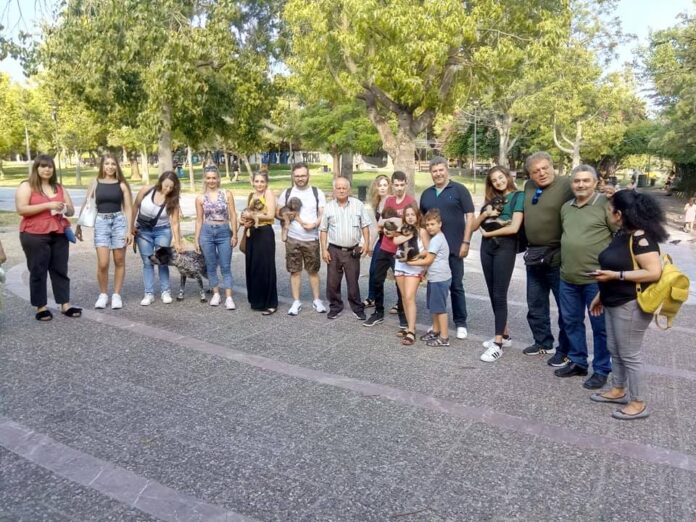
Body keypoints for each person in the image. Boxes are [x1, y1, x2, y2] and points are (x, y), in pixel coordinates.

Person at [589, 190, 667, 420]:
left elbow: (653, 272)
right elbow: (616, 265)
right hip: (613, 301)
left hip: (631, 304)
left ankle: (638, 402)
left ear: (619, 213)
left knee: (630, 354)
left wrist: (616, 276)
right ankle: (618, 389)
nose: (607, 212)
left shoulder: (642, 238)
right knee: (615, 349)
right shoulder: (623, 233)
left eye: (609, 209)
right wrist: (601, 295)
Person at [554, 165, 614, 388]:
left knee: (601, 328)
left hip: (596, 281)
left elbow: (619, 236)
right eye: (577, 181)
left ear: (596, 183)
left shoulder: (606, 204)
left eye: (586, 180)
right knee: (571, 322)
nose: (581, 185)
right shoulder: (566, 207)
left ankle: (601, 369)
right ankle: (578, 362)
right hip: (567, 277)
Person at [521, 151, 573, 365]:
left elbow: (589, 195)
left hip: (558, 256)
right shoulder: (528, 186)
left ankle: (566, 349)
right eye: (536, 171)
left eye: (545, 168)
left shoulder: (567, 184)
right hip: (534, 255)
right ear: (530, 175)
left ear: (553, 167)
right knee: (535, 303)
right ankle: (542, 342)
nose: (541, 173)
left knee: (565, 307)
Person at [16, 155, 82, 321]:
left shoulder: (58, 187)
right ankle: (41, 307)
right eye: (43, 166)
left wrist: (65, 208)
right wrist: (48, 205)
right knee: (38, 270)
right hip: (34, 234)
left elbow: (71, 211)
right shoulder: (27, 186)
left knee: (60, 269)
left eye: (50, 166)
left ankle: (65, 304)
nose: (47, 169)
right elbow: (21, 209)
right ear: (36, 168)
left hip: (59, 233)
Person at [471, 166, 524, 362]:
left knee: (500, 294)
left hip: (505, 247)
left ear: (507, 177)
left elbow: (514, 227)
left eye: (501, 178)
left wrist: (489, 233)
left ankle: (498, 344)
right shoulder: (491, 199)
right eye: (494, 180)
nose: (498, 182)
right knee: (493, 292)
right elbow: (474, 226)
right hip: (487, 248)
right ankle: (505, 335)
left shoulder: (518, 197)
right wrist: (485, 215)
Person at [419, 157, 475, 339]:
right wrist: (427, 249)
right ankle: (436, 323)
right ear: (431, 173)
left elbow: (470, 216)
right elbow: (422, 225)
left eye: (441, 170)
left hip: (455, 248)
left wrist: (466, 242)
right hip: (434, 253)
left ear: (447, 170)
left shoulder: (459, 190)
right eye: (434, 171)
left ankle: (461, 322)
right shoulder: (426, 194)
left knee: (456, 285)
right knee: (434, 286)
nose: (438, 174)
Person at [75, 154, 133, 310]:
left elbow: (128, 208)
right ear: (102, 165)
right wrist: (78, 225)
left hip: (119, 222)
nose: (110, 166)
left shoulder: (122, 185)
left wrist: (129, 230)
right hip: (101, 222)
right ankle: (103, 294)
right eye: (107, 163)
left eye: (113, 164)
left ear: (117, 166)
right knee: (103, 263)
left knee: (119, 260)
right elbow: (86, 203)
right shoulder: (95, 182)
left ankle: (116, 295)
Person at [276, 163, 327, 315]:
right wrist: (286, 217)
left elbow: (323, 214)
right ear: (293, 176)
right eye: (297, 176)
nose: (300, 178)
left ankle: (317, 300)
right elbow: (278, 213)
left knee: (313, 270)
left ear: (308, 175)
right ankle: (296, 301)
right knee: (294, 271)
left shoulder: (317, 192)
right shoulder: (287, 193)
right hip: (292, 238)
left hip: (311, 238)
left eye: (303, 175)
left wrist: (314, 224)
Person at [364, 171, 413, 328]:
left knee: (400, 284)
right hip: (385, 246)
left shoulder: (410, 201)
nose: (399, 188)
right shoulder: (389, 201)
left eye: (401, 185)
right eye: (396, 185)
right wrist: (396, 222)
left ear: (406, 184)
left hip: (400, 249)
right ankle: (378, 312)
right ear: (393, 185)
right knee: (377, 280)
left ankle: (403, 317)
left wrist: (392, 222)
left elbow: (411, 225)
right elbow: (380, 224)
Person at [319, 176, 372, 320]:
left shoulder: (358, 205)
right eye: (338, 188)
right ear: (334, 190)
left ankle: (357, 308)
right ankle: (335, 307)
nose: (341, 190)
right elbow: (323, 230)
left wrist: (366, 244)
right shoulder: (329, 207)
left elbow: (365, 226)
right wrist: (323, 249)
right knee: (332, 282)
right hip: (334, 250)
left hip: (352, 251)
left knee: (353, 282)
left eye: (344, 188)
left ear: (349, 189)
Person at [131, 171, 183, 306]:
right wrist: (130, 226)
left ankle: (165, 291)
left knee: (162, 261)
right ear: (160, 182)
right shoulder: (146, 190)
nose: (168, 189)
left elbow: (175, 222)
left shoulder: (173, 199)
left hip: (163, 231)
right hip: (143, 231)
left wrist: (177, 241)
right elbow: (135, 207)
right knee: (148, 262)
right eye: (166, 186)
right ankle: (148, 293)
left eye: (171, 187)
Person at [194, 165, 238, 310]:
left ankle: (229, 297)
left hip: (224, 232)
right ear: (205, 179)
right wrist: (196, 239)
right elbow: (199, 220)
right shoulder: (200, 198)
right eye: (208, 178)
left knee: (225, 266)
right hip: (207, 232)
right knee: (211, 265)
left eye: (214, 178)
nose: (211, 181)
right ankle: (216, 294)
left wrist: (235, 234)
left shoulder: (226, 194)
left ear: (218, 178)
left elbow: (233, 215)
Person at [406, 209, 452, 347]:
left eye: (432, 224)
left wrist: (411, 263)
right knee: (434, 307)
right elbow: (428, 253)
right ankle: (436, 331)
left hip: (439, 278)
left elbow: (429, 260)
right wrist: (420, 255)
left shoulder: (437, 239)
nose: (429, 227)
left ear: (440, 224)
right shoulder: (436, 238)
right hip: (434, 277)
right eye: (427, 225)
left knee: (440, 309)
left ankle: (444, 338)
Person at [242, 171, 278, 314]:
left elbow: (270, 215)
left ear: (266, 183)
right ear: (252, 182)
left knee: (266, 268)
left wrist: (252, 215)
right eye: (257, 181)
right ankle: (257, 301)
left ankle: (270, 303)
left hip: (264, 233)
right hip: (252, 233)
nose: (259, 184)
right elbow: (247, 214)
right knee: (253, 267)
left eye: (262, 181)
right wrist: (244, 221)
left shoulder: (268, 193)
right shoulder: (251, 195)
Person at [393, 203, 429, 346]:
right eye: (407, 215)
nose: (410, 217)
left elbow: (428, 249)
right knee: (403, 297)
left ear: (417, 216)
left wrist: (417, 257)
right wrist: (408, 235)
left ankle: (412, 331)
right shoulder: (402, 228)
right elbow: (395, 240)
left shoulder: (422, 231)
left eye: (412, 214)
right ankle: (408, 326)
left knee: (409, 297)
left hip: (414, 266)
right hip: (400, 264)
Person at [363, 174, 391, 308]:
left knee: (398, 273)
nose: (382, 188)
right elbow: (376, 228)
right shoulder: (377, 203)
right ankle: (372, 297)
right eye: (380, 185)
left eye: (385, 185)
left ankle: (401, 303)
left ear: (389, 187)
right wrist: (369, 245)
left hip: (394, 241)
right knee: (373, 270)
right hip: (381, 240)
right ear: (376, 187)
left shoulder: (392, 201)